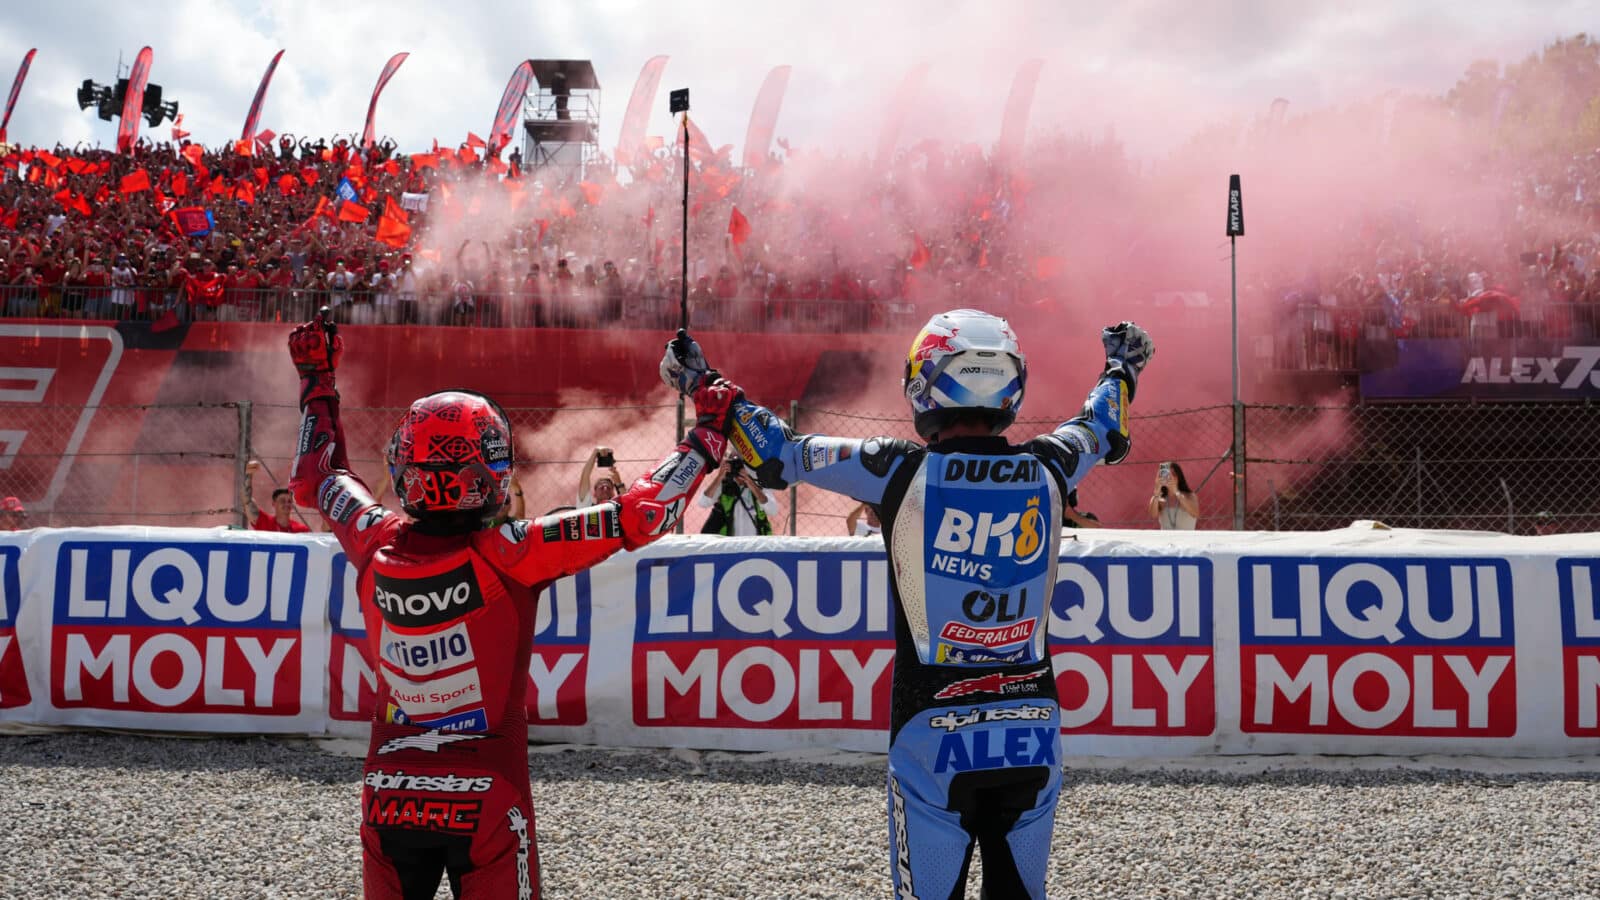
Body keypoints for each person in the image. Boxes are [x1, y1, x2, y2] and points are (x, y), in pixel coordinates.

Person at [665, 309, 1153, 899]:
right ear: (1011, 382)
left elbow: (777, 455)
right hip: (1032, 726)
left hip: (930, 732)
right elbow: (1104, 428)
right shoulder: (1051, 464)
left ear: (926, 379)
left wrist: (704, 383)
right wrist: (1120, 367)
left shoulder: (895, 467)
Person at [286, 314, 739, 899]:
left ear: (405, 467)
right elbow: (643, 514)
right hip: (488, 797)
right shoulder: (513, 551)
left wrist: (315, 378)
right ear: (491, 472)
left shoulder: (370, 537)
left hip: (388, 792)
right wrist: (706, 433)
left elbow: (315, 475)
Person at [698, 452, 778, 536]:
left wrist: (751, 483)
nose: (737, 467)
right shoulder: (723, 484)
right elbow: (703, 503)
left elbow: (773, 511)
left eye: (742, 463)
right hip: (730, 545)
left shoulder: (759, 484)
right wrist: (719, 477)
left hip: (755, 544)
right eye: (733, 463)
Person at [242, 459, 310, 533]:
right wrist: (248, 474)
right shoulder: (264, 522)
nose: (286, 504)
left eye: (289, 501)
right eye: (282, 501)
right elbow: (247, 501)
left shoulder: (301, 530)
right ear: (274, 504)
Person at [1147, 460, 1199, 530]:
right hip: (1166, 539)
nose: (1170, 478)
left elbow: (1195, 513)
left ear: (1179, 477)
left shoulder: (1190, 496)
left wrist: (1176, 492)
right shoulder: (1158, 498)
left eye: (1173, 474)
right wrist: (1156, 492)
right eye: (1167, 475)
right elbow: (1153, 515)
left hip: (1187, 539)